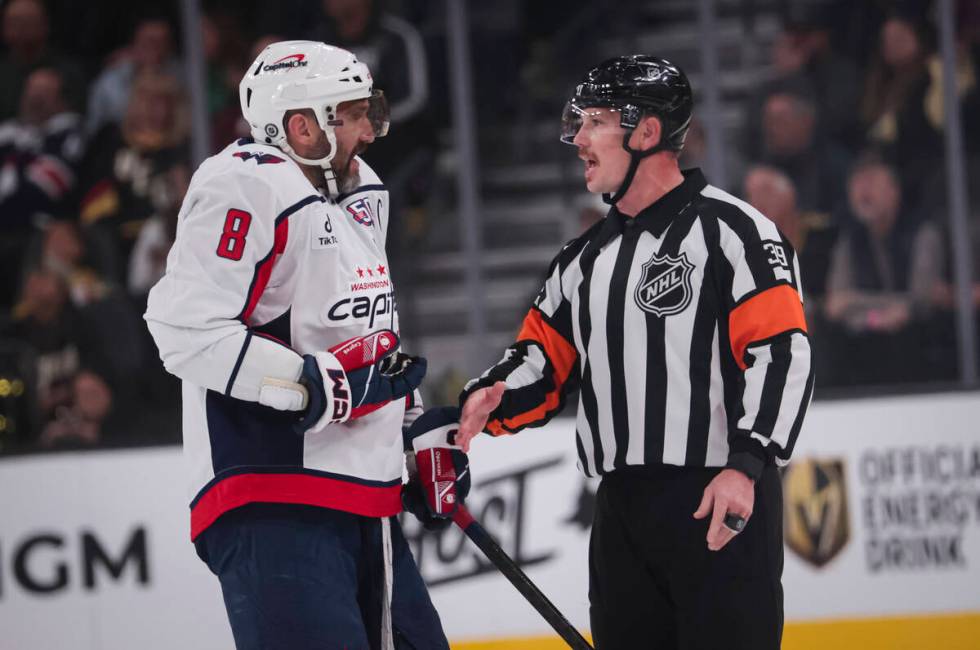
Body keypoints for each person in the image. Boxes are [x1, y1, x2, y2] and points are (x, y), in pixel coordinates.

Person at [454, 55, 814, 649]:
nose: (580, 141)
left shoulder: (738, 233)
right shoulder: (580, 260)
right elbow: (539, 363)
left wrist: (747, 466)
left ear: (646, 132)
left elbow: (781, 354)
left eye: (594, 122)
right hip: (621, 513)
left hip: (717, 498)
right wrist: (488, 397)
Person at [144, 41, 453, 649]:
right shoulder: (245, 183)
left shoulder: (359, 192)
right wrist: (313, 385)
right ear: (302, 125)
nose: (370, 129)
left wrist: (410, 441)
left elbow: (368, 338)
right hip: (274, 495)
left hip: (368, 501)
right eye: (355, 112)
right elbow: (183, 329)